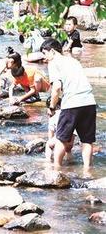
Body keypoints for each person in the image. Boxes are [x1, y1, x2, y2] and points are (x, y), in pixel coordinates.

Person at [42, 38, 96, 172]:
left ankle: (57, 169)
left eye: (45, 53)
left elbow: (56, 88)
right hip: (89, 101)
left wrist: (52, 107)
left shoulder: (54, 63)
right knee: (87, 140)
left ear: (52, 51)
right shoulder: (73, 61)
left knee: (61, 138)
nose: (44, 58)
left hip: (72, 103)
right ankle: (87, 171)